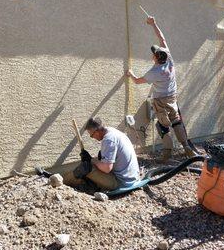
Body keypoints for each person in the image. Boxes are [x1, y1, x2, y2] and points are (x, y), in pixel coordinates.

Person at [126, 15, 197, 163]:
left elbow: (138, 81)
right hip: (172, 97)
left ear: (156, 58)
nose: (152, 54)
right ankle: (186, 147)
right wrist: (153, 24)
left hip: (160, 101)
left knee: (163, 126)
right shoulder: (169, 58)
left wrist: (131, 74)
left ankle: (166, 154)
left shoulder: (155, 72)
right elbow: (162, 38)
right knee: (176, 121)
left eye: (153, 53)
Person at [62, 117, 140, 190]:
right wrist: (94, 160)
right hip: (132, 177)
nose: (92, 137)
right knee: (100, 156)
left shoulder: (108, 140)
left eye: (91, 135)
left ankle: (61, 181)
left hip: (122, 182)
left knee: (86, 168)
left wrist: (91, 160)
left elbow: (106, 168)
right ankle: (77, 182)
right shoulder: (112, 132)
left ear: (97, 131)